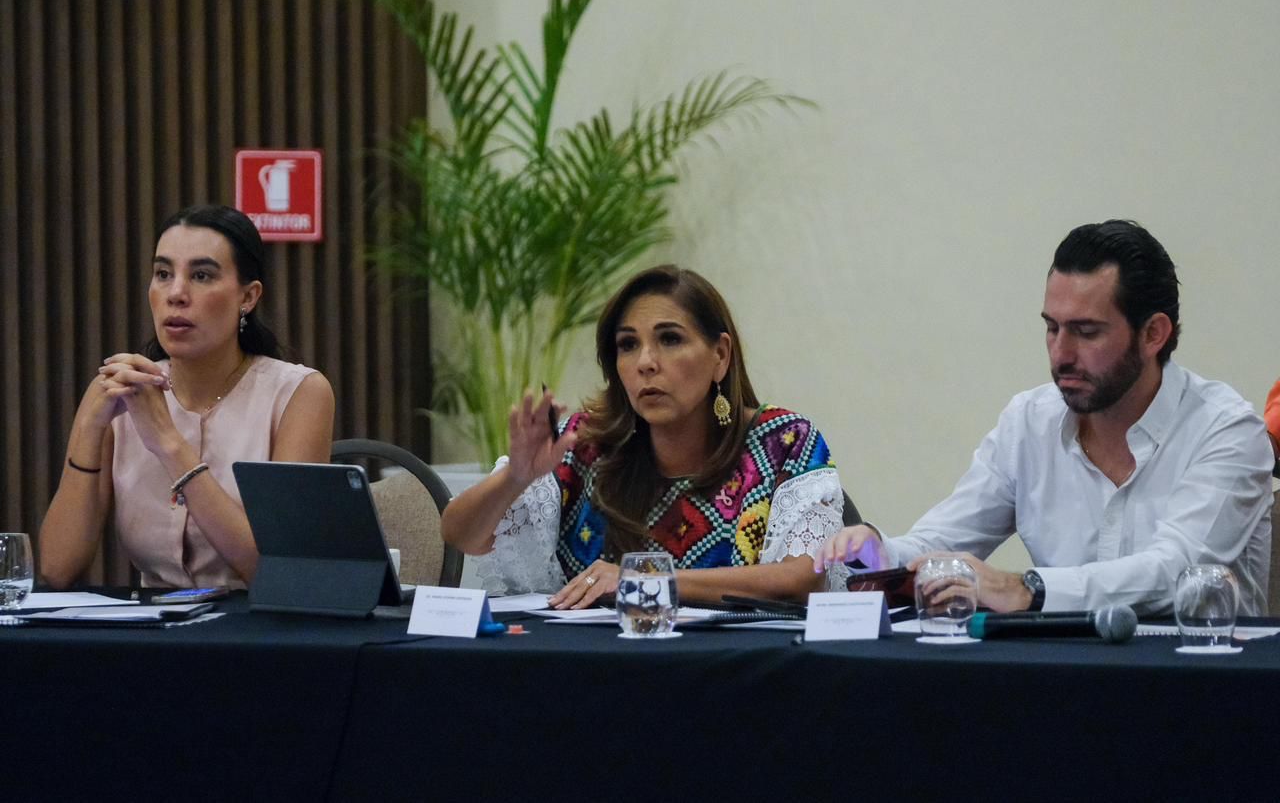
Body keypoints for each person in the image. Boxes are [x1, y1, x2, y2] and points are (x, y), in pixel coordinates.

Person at [817, 220, 1272, 615]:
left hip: (1198, 677)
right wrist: (878, 553)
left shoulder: (1226, 430)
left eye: (1086, 332)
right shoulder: (1029, 422)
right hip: (1060, 674)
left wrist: (1026, 589)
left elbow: (1178, 572)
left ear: (1153, 333)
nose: (1061, 354)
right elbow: (943, 542)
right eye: (1052, 328)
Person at [442, 265, 846, 607]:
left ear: (720, 355)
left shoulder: (784, 442)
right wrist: (516, 477)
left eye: (670, 339)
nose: (646, 362)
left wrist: (645, 580)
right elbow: (460, 535)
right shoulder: (583, 445)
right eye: (628, 345)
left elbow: (802, 578)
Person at [40, 205, 334, 589]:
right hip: (153, 623)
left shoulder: (298, 393)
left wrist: (168, 443)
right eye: (163, 274)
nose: (176, 294)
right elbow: (56, 569)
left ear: (248, 297)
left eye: (201, 275)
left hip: (260, 621)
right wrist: (88, 428)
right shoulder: (123, 392)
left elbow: (284, 575)